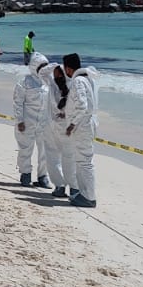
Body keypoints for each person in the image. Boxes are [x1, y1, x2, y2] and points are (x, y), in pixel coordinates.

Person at [61, 52, 100, 208]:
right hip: (86, 125)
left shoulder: (78, 81)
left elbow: (82, 106)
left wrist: (72, 124)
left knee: (84, 162)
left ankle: (89, 196)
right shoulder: (87, 79)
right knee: (82, 161)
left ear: (68, 68)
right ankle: (84, 193)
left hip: (82, 126)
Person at [12, 54, 53, 188]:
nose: (43, 69)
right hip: (27, 122)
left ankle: (42, 176)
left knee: (45, 151)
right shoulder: (25, 82)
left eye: (45, 66)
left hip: (44, 123)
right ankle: (25, 174)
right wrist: (20, 120)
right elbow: (18, 102)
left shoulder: (49, 83)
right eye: (41, 66)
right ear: (35, 67)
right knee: (25, 149)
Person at [43, 62, 72, 197]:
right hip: (66, 127)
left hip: (53, 126)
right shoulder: (72, 85)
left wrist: (53, 65)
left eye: (55, 71)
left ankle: (60, 186)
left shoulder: (52, 85)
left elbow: (42, 72)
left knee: (53, 156)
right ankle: (74, 188)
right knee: (68, 157)